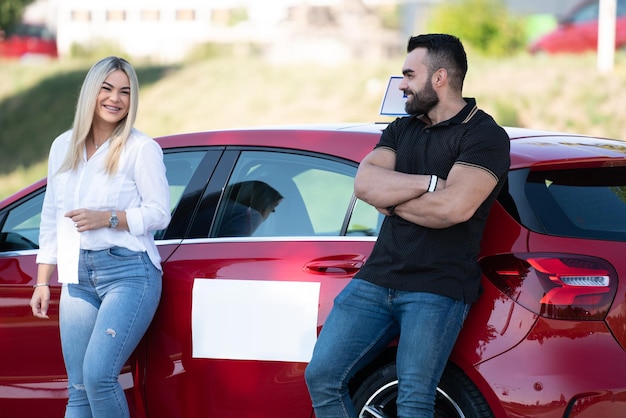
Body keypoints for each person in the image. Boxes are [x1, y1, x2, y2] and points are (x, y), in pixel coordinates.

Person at [305, 34, 511, 417]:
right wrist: (430, 183)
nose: (401, 84)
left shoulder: (484, 135)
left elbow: (454, 209)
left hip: (437, 287)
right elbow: (366, 185)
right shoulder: (402, 129)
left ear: (439, 78)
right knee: (322, 376)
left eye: (409, 74)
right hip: (376, 279)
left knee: (415, 400)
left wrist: (392, 202)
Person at [29, 56, 171, 418]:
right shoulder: (63, 146)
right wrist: (43, 280)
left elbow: (159, 213)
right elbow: (51, 213)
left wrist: (108, 218)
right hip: (77, 275)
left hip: (129, 274)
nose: (116, 98)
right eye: (107, 88)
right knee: (77, 389)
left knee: (98, 377)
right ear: (91, 92)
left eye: (125, 91)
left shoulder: (141, 149)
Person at [215, 180, 283, 237]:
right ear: (264, 202)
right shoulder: (249, 216)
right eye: (275, 205)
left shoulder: (221, 207)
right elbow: (232, 248)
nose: (273, 211)